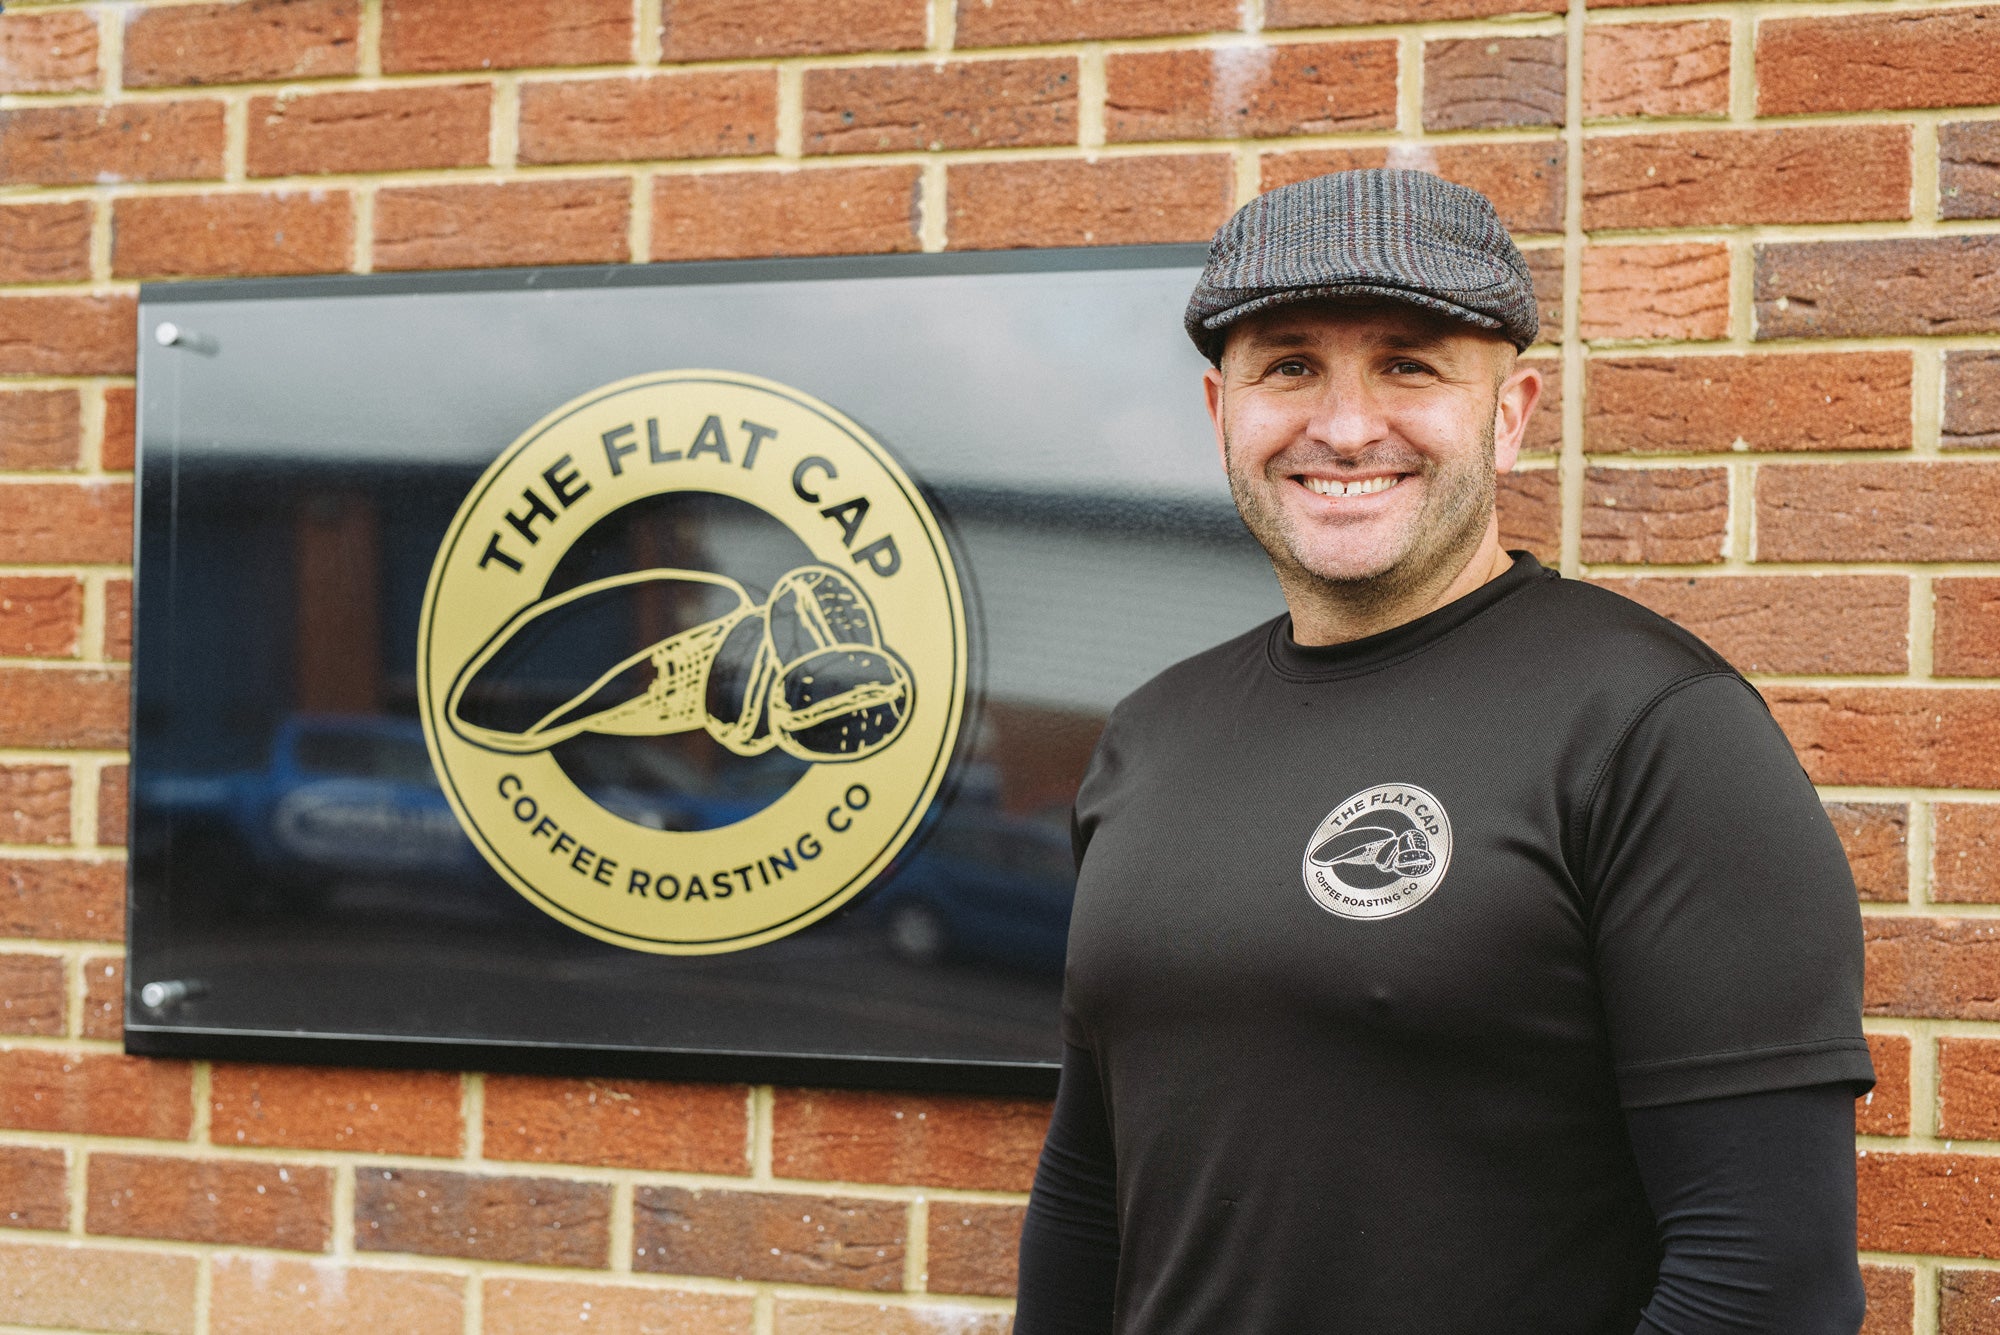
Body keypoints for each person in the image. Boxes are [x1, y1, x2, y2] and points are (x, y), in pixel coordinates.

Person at [1014, 170, 1874, 1334]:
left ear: (1507, 414)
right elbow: (1088, 1195)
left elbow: (1766, 1283)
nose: (1345, 424)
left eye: (1408, 364)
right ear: (1222, 414)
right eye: (1290, 366)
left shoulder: (1651, 730)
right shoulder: (1150, 737)